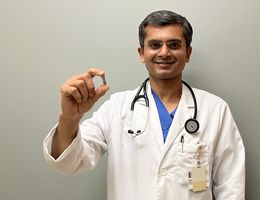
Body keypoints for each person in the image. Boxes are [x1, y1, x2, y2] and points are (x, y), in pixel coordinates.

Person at [43, 10, 245, 200]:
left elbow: (231, 186)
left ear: (188, 53)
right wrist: (70, 118)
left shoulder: (215, 109)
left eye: (174, 45)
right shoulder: (117, 108)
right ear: (142, 53)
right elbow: (70, 163)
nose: (164, 52)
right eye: (155, 45)